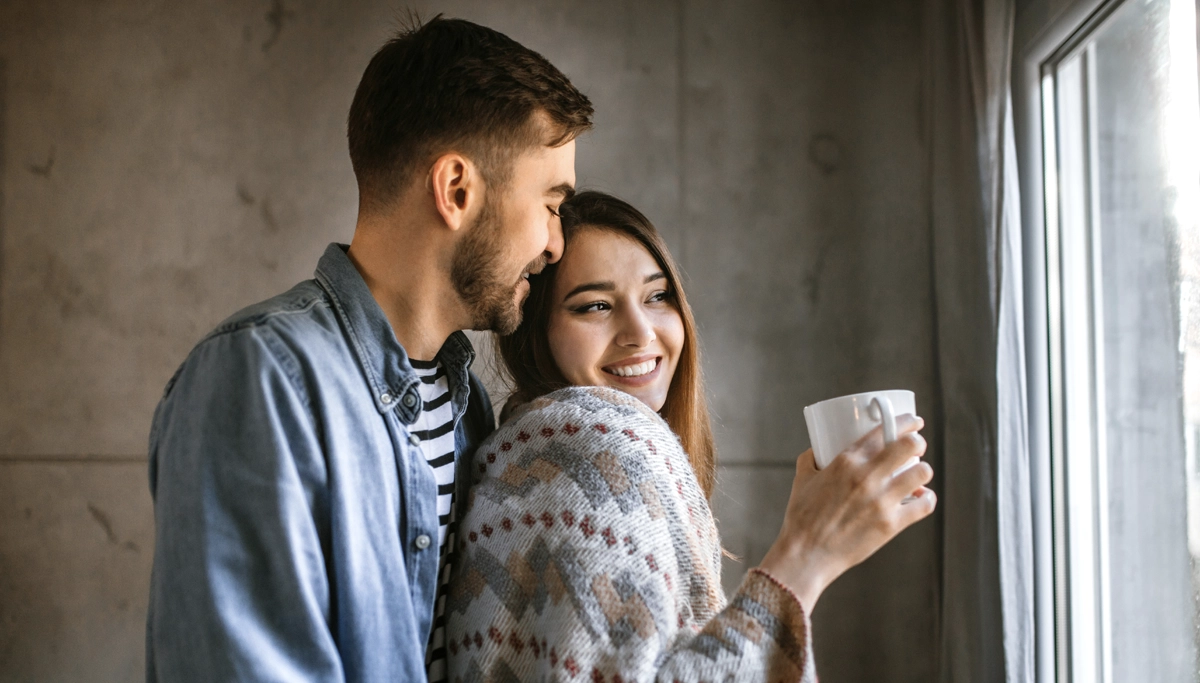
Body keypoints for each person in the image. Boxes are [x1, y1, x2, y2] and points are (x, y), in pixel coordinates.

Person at [145, 17, 593, 682]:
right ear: (457, 191)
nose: (556, 243)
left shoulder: (463, 405)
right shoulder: (261, 378)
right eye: (551, 204)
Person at [444, 191, 937, 682]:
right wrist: (807, 553)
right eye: (594, 305)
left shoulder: (522, 450)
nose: (641, 332)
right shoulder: (600, 450)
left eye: (657, 296)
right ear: (535, 332)